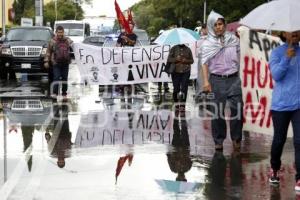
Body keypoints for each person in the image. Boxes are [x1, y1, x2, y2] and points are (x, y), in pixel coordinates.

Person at [200, 11, 243, 151]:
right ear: (212, 26)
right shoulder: (207, 44)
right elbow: (204, 63)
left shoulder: (234, 40)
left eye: (221, 24)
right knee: (217, 112)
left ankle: (237, 138)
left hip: (233, 78)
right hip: (216, 80)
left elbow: (241, 56)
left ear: (224, 25)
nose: (219, 27)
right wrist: (206, 82)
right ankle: (219, 140)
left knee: (237, 109)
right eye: (216, 25)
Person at [268, 30, 300, 192]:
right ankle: (274, 168)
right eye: (291, 31)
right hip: (281, 105)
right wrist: (287, 57)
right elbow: (276, 75)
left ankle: (299, 177)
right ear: (283, 34)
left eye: (298, 30)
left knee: (299, 141)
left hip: (299, 106)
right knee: (279, 140)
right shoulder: (277, 52)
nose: (295, 33)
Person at [44, 25, 73, 99]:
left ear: (63, 32)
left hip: (65, 63)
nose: (60, 34)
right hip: (56, 63)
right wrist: (46, 61)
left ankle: (64, 93)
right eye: (59, 32)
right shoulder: (52, 41)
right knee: (56, 78)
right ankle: (55, 93)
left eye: (61, 32)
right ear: (56, 32)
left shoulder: (68, 40)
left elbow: (74, 47)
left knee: (64, 78)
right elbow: (48, 52)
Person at [167, 43, 194, 114]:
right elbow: (169, 59)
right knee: (176, 89)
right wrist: (176, 59)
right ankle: (176, 104)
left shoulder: (188, 49)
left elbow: (192, 60)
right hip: (175, 72)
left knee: (184, 89)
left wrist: (186, 60)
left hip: (186, 71)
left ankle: (182, 105)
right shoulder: (173, 48)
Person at [46, 104, 72, 168]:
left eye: (60, 162)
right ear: (64, 161)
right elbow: (70, 145)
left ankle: (55, 102)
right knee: (65, 118)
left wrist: (47, 136)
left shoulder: (53, 154)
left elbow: (50, 144)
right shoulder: (68, 154)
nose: (61, 161)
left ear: (57, 161)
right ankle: (64, 102)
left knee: (56, 118)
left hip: (56, 133)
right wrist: (70, 138)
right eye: (62, 162)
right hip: (65, 133)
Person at [167, 117, 192, 182]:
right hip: (185, 146)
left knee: (176, 131)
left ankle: (176, 117)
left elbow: (169, 158)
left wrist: (169, 152)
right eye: (183, 179)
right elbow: (191, 158)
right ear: (185, 178)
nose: (182, 177)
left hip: (176, 147)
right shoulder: (187, 168)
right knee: (184, 130)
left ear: (177, 178)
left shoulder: (173, 169)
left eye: (179, 178)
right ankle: (183, 116)